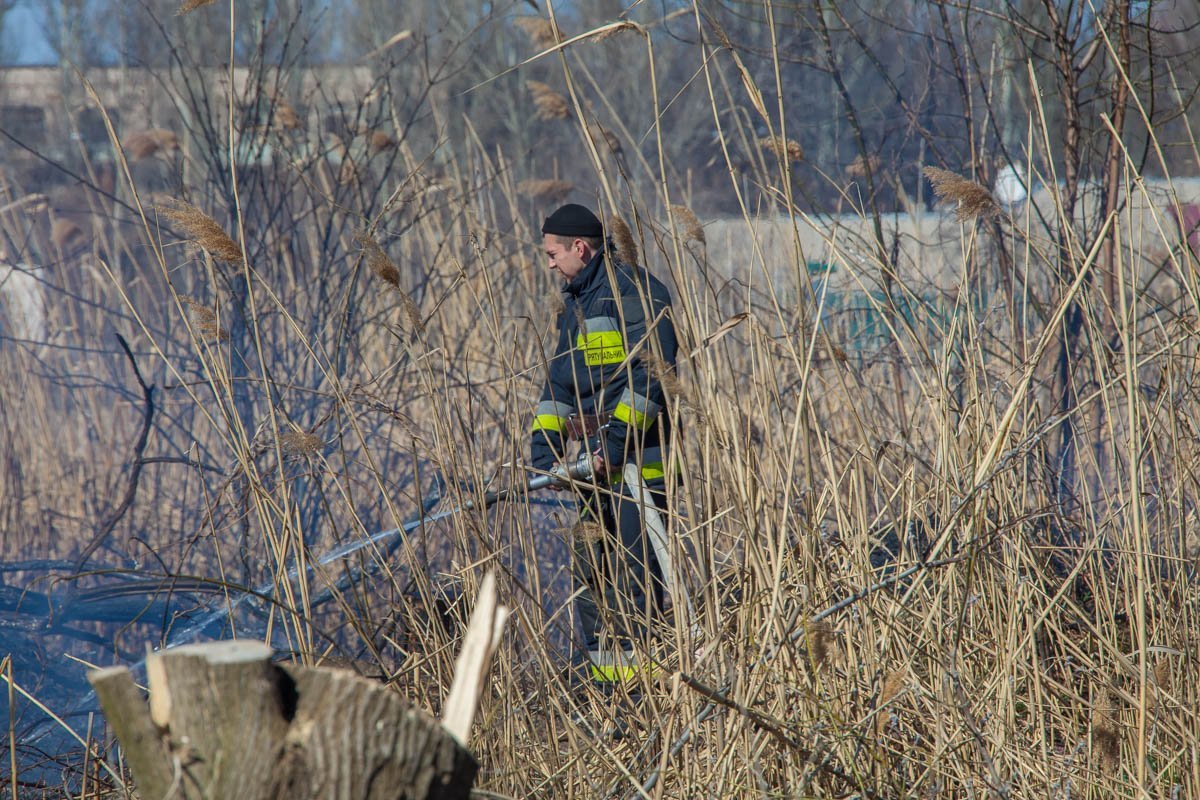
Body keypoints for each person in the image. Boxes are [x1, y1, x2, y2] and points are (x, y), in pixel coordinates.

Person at [529, 203, 679, 689]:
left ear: (580, 247)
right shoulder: (577, 302)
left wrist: (612, 448)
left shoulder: (630, 293)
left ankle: (650, 695)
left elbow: (651, 379)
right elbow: (560, 385)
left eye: (554, 253)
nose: (549, 263)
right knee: (593, 582)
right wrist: (541, 453)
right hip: (593, 473)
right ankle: (610, 690)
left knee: (637, 583)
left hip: (636, 469)